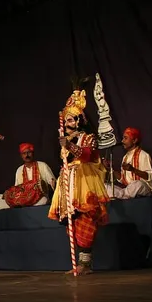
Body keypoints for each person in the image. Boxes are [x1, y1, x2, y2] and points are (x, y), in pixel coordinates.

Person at [48, 87, 109, 276]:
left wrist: (70, 146)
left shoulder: (88, 138)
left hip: (84, 182)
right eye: (66, 118)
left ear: (79, 121)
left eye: (71, 118)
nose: (68, 122)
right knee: (71, 224)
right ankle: (79, 263)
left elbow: (89, 155)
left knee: (86, 221)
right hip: (68, 183)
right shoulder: (64, 141)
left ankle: (85, 264)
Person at [0, 143, 56, 209]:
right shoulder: (19, 170)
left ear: (33, 153)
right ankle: (21, 204)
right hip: (22, 198)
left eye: (29, 152)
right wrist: (8, 194)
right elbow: (16, 188)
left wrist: (53, 183)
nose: (27, 155)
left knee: (43, 200)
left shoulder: (42, 165)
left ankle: (21, 205)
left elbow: (52, 181)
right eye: (24, 153)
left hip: (39, 197)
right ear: (21, 156)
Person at [103, 127, 152, 199]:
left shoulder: (143, 155)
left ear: (134, 140)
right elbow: (122, 179)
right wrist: (110, 168)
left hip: (144, 188)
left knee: (137, 184)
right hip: (128, 189)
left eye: (125, 138)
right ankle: (121, 196)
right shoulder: (125, 157)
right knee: (104, 186)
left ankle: (121, 196)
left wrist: (132, 169)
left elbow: (149, 177)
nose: (122, 141)